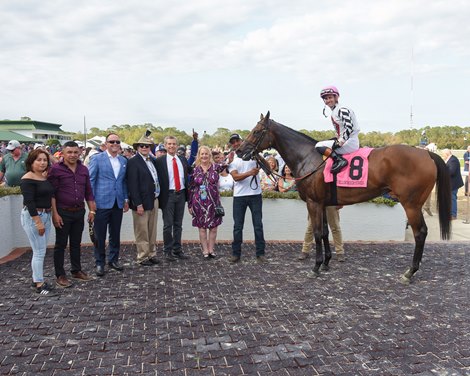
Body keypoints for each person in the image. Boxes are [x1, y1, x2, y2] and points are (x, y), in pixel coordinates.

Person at [48, 141, 96, 288]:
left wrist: (92, 210)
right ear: (63, 153)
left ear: (79, 152)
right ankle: (60, 275)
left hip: (79, 211)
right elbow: (52, 194)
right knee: (60, 244)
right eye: (69, 152)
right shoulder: (55, 170)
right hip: (62, 212)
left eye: (75, 152)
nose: (73, 155)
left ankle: (76, 270)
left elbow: (88, 191)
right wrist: (55, 214)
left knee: (76, 243)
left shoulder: (83, 169)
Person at [88, 133, 129, 277]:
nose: (115, 144)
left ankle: (113, 260)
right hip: (101, 203)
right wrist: (91, 204)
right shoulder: (97, 159)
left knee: (115, 234)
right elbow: (91, 181)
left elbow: (123, 182)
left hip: (117, 203)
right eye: (112, 141)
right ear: (106, 143)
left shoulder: (123, 160)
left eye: (117, 141)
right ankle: (100, 262)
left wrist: (125, 199)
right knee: (100, 235)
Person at [20, 149, 56, 296]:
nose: (42, 163)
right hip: (34, 216)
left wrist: (48, 154)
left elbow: (57, 163)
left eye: (44, 160)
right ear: (31, 161)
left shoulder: (42, 176)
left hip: (46, 214)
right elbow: (29, 202)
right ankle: (39, 285)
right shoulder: (27, 179)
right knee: (39, 252)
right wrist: (38, 222)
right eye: (38, 160)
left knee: (41, 250)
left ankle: (37, 279)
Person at [227, 133, 266, 263]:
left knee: (258, 225)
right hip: (239, 197)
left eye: (237, 141)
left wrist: (259, 156)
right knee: (238, 226)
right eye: (233, 142)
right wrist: (250, 173)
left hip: (255, 195)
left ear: (242, 141)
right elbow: (236, 177)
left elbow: (269, 168)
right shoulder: (232, 160)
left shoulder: (254, 155)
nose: (236, 144)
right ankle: (236, 254)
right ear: (231, 145)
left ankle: (260, 253)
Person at [126, 133, 161, 266]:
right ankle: (143, 256)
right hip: (141, 202)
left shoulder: (151, 161)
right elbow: (132, 185)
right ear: (137, 147)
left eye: (147, 146)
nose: (145, 148)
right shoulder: (133, 162)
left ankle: (151, 253)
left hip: (153, 199)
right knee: (142, 230)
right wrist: (138, 203)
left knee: (152, 230)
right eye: (142, 146)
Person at [155, 135, 192, 261]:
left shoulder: (182, 159)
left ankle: (177, 250)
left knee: (178, 224)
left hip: (181, 194)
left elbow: (191, 171)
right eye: (169, 144)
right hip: (168, 195)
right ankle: (167, 251)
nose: (171, 146)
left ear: (177, 145)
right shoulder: (159, 161)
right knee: (167, 225)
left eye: (173, 144)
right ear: (165, 146)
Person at [188, 146, 226, 259]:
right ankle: (205, 250)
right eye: (202, 154)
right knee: (202, 228)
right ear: (199, 156)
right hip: (199, 202)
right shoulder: (195, 170)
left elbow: (228, 163)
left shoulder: (216, 167)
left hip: (214, 203)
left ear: (210, 155)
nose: (204, 156)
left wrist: (231, 157)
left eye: (206, 154)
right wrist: (190, 204)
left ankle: (211, 249)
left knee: (214, 228)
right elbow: (191, 188)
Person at [315, 86, 360, 174]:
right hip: (348, 140)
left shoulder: (342, 109)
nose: (328, 100)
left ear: (336, 97)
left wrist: (340, 142)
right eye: (326, 99)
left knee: (318, 146)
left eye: (330, 97)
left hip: (350, 142)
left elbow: (349, 127)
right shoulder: (336, 110)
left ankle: (339, 161)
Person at [442, 149, 464, 220]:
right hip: (451, 183)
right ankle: (450, 213)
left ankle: (453, 214)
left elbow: (451, 172)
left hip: (453, 183)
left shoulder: (453, 160)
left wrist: (443, 171)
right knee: (450, 198)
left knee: (452, 198)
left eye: (443, 155)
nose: (443, 156)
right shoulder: (451, 159)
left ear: (447, 154)